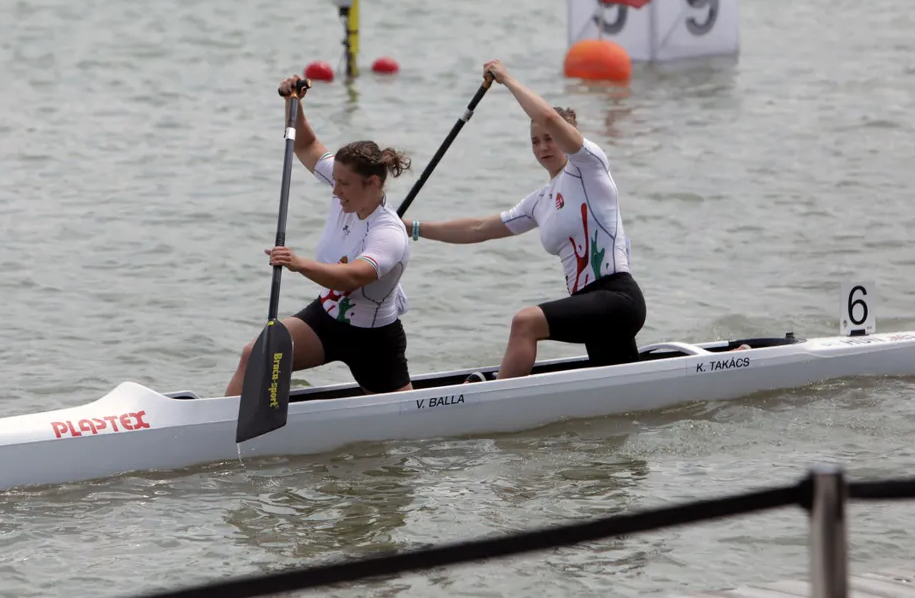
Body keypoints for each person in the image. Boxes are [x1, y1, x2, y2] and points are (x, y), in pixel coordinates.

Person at [404, 59, 646, 381]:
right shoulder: (540, 201)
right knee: (620, 392)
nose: (543, 147)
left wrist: (506, 79)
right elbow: (478, 229)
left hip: (618, 299)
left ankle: (493, 404)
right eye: (535, 141)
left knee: (525, 322)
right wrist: (412, 228)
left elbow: (546, 116)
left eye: (550, 138)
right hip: (590, 308)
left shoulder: (589, 166)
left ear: (568, 136)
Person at [225, 75, 415, 397]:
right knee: (255, 354)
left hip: (373, 339)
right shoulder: (346, 188)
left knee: (404, 423)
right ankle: (220, 429)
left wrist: (299, 264)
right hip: (327, 317)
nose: (335, 190)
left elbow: (351, 278)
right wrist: (293, 103)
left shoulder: (389, 234)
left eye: (344, 184)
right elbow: (306, 145)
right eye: (334, 180)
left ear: (371, 183)